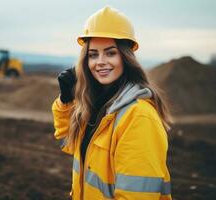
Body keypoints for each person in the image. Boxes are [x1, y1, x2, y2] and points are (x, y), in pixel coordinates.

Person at [52, 6, 172, 200]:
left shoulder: (138, 117)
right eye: (93, 54)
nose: (100, 61)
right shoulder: (98, 107)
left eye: (110, 53)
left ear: (125, 57)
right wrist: (67, 101)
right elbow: (70, 142)